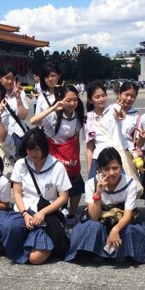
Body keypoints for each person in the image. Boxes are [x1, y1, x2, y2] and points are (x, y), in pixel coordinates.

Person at [0, 129, 72, 265]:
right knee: (8, 226)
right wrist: (25, 214)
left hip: (48, 213)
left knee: (35, 258)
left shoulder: (57, 166)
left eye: (37, 149)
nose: (33, 154)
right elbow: (17, 193)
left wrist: (43, 212)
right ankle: (28, 241)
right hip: (25, 210)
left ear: (44, 147)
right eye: (30, 150)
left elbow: (63, 197)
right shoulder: (21, 164)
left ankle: (42, 243)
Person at [66, 148, 145, 263]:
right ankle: (98, 252)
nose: (111, 173)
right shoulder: (91, 184)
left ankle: (116, 252)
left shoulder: (130, 183)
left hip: (121, 219)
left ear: (121, 166)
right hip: (100, 219)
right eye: (106, 169)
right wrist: (98, 194)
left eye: (115, 168)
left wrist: (115, 229)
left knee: (131, 229)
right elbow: (93, 217)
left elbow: (128, 214)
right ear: (99, 169)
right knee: (93, 226)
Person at [30, 84, 85, 221]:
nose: (72, 103)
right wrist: (54, 108)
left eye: (75, 100)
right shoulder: (54, 115)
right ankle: (56, 212)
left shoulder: (77, 115)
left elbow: (76, 137)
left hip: (69, 154)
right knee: (56, 185)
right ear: (61, 99)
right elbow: (33, 121)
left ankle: (71, 215)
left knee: (77, 184)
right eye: (68, 100)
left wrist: (76, 156)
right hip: (53, 153)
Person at [0, 65, 29, 152]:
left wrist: (18, 98)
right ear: (0, 78)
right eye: (7, 78)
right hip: (3, 136)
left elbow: (23, 116)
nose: (10, 81)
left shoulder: (21, 94)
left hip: (19, 135)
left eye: (13, 78)